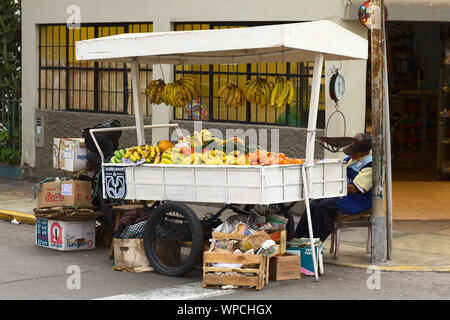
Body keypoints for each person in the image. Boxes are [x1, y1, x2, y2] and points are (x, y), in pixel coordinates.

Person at [294, 133, 373, 242]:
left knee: (325, 206)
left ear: (366, 153)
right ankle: (298, 238)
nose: (351, 155)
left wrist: (331, 185)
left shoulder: (370, 164)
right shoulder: (350, 158)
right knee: (314, 204)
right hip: (342, 192)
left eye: (354, 153)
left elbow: (355, 188)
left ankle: (315, 241)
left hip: (357, 198)